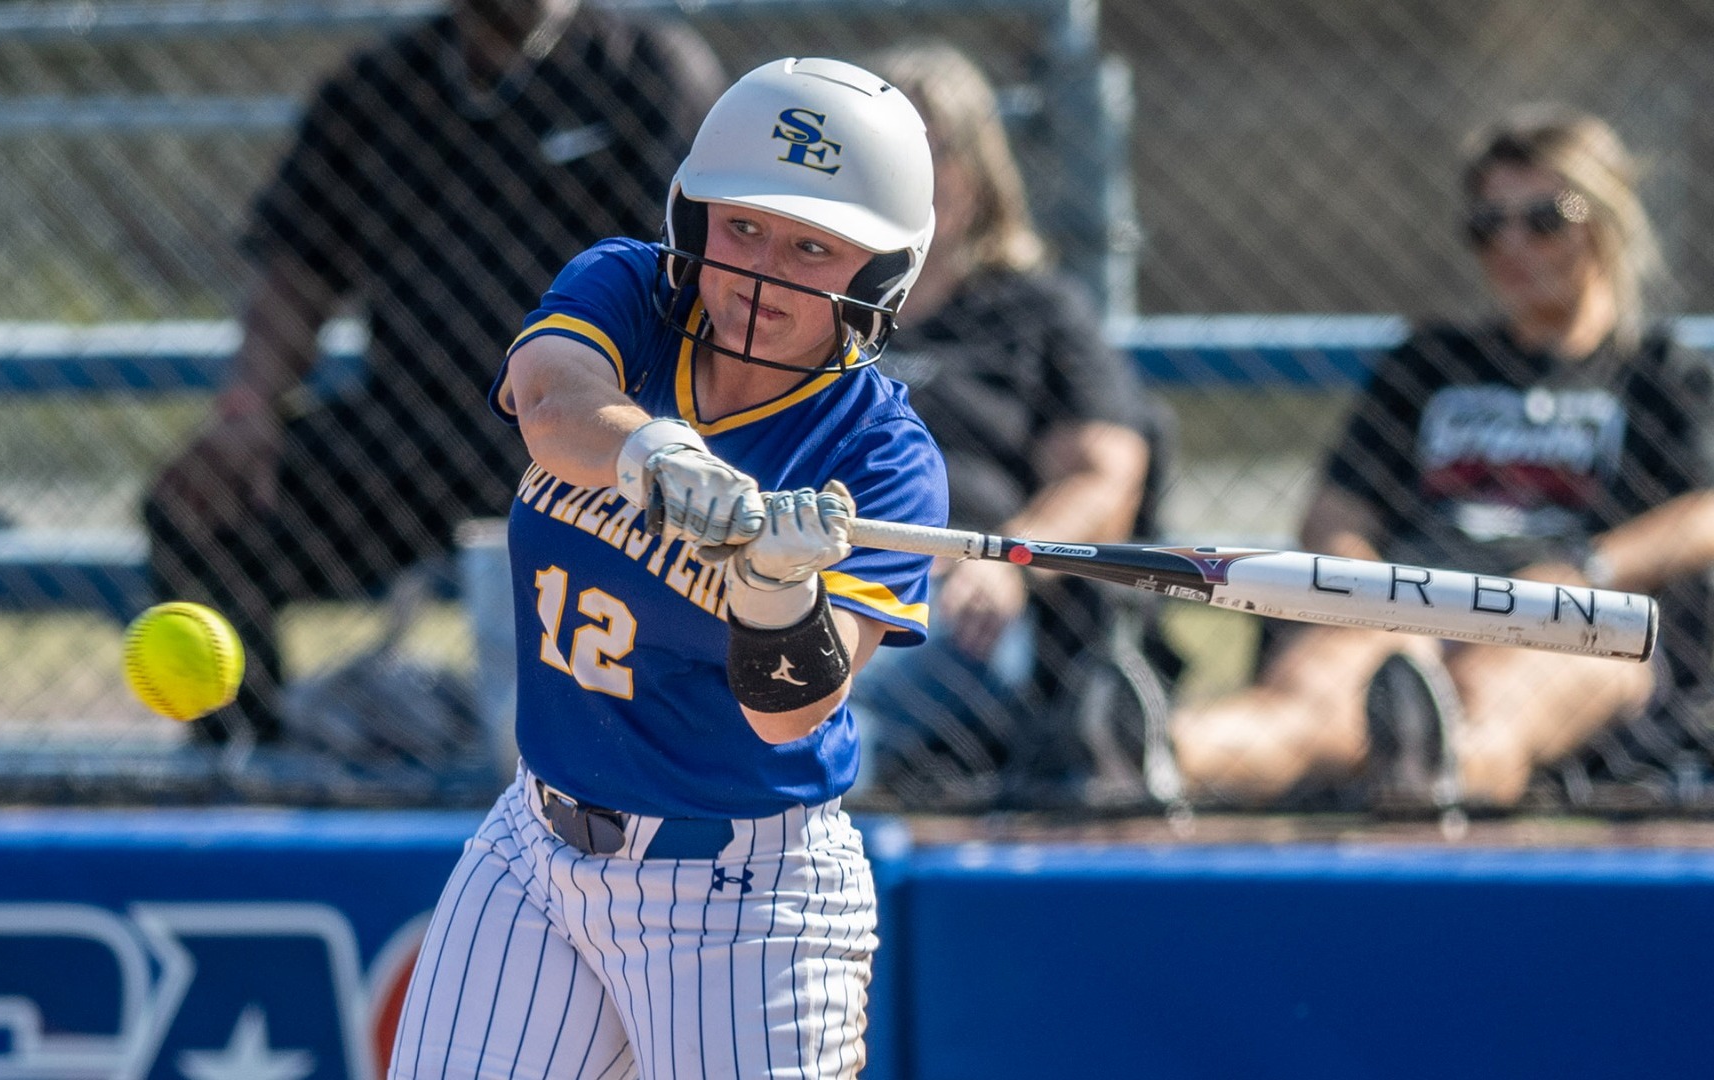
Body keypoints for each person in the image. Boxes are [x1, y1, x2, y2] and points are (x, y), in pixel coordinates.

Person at [385, 58, 946, 1077]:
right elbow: (548, 401)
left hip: (745, 897)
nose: (763, 270)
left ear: (877, 273)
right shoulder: (635, 290)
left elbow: (792, 711)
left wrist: (776, 587)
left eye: (813, 246)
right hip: (535, 846)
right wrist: (658, 454)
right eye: (743, 228)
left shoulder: (880, 458)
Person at [145, 0, 724, 744]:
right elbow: (296, 273)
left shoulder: (651, 72)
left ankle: (647, 774)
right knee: (199, 509)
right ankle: (250, 772)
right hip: (412, 437)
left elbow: (704, 278)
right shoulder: (377, 90)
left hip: (596, 443)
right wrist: (247, 409)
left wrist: (649, 434)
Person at [1170, 106, 1714, 811]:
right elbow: (1336, 509)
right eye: (1489, 226)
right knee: (1308, 697)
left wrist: (1587, 570)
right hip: (1413, 605)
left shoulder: (1661, 374)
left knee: (1494, 697)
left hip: (1574, 616)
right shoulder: (1429, 363)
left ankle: (1434, 773)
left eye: (1546, 219)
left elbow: (1703, 513)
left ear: (1605, 221)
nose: (1513, 245)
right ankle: (1156, 751)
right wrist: (1361, 588)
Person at [847, 43, 1166, 808]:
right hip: (814, 570)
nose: (910, 176)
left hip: (956, 594)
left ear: (978, 173)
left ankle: (804, 758)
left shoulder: (1031, 313)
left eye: (932, 151)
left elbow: (1106, 473)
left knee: (814, 701)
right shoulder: (820, 313)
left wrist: (1008, 559)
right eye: (886, 155)